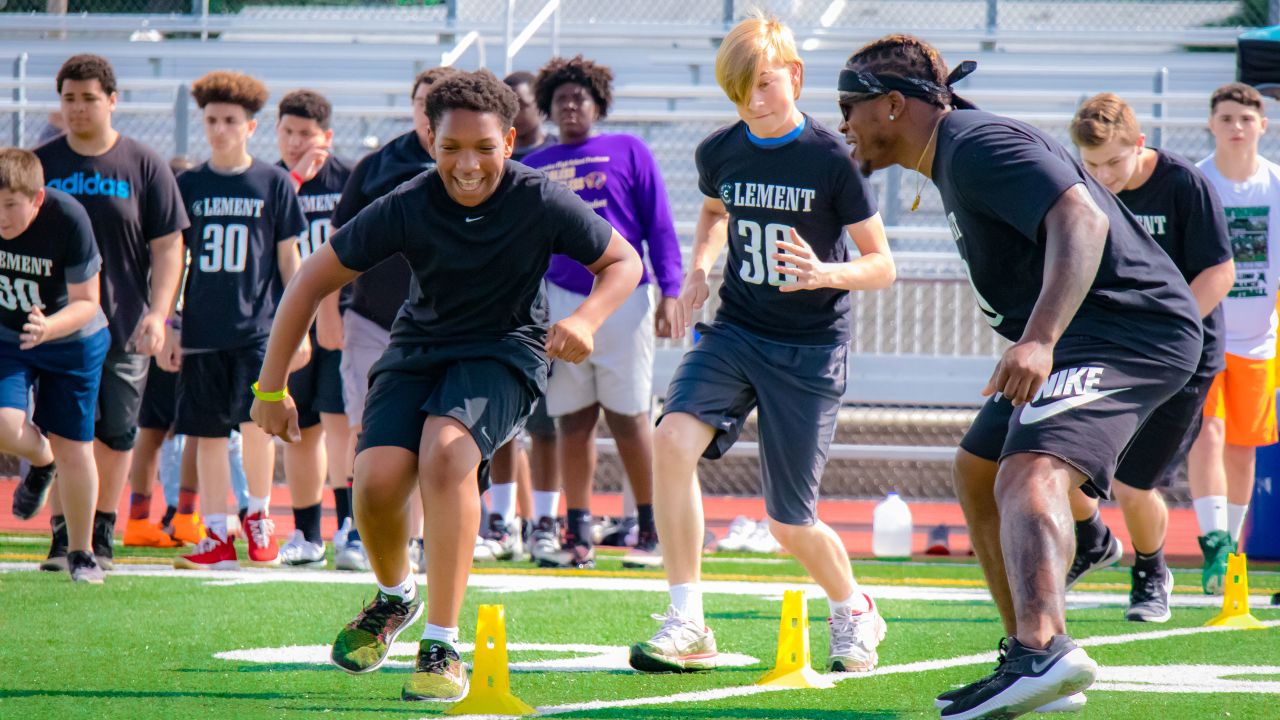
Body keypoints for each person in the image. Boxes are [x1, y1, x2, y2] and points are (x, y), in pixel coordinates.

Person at [837, 34, 1203, 718]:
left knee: (1028, 470)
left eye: (847, 106)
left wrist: (1038, 339)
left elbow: (1081, 219)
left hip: (1133, 330)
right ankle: (1028, 660)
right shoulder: (954, 155)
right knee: (979, 468)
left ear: (892, 105)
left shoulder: (977, 144)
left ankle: (1044, 649)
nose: (841, 124)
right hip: (1090, 334)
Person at [251, 69, 642, 701]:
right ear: (430, 142)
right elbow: (309, 280)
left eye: (484, 148)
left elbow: (624, 261)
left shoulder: (538, 198)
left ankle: (441, 641)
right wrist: (270, 390)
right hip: (419, 349)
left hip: (505, 350)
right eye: (451, 148)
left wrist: (585, 318)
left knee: (447, 451)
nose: (467, 165)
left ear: (509, 142)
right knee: (375, 485)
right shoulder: (408, 200)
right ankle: (394, 597)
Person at [629, 15, 895, 677]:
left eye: (767, 84)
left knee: (788, 523)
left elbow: (882, 263)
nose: (754, 99)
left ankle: (854, 609)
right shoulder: (720, 150)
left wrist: (826, 273)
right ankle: (687, 618)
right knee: (669, 441)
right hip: (737, 330)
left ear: (795, 77)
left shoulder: (833, 158)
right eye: (741, 88)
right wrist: (698, 268)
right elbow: (717, 211)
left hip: (809, 347)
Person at [1065, 93, 1234, 621]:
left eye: (1114, 162)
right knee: (1054, 462)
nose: (1104, 175)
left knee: (1134, 483)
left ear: (1139, 145)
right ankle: (1092, 538)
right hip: (1111, 350)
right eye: (1092, 165)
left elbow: (1219, 273)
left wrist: (1171, 329)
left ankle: (1151, 571)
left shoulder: (1183, 184)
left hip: (1181, 358)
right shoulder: (1085, 187)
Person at [19, 54, 188, 570]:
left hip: (123, 318)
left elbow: (167, 248)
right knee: (64, 431)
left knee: (116, 433)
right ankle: (64, 534)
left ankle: (102, 529)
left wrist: (159, 314)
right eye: (68, 98)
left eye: (89, 98)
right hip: (51, 323)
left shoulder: (143, 164)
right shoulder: (42, 164)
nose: (77, 108)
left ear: (112, 101)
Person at [522, 54, 683, 570]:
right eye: (561, 99)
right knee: (573, 421)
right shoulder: (536, 165)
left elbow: (658, 226)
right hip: (561, 301)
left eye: (580, 97)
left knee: (632, 417)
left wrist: (672, 290)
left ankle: (651, 525)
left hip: (625, 297)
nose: (571, 105)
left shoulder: (629, 150)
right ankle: (578, 530)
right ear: (547, 107)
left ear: (598, 103)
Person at [165, 70, 309, 571]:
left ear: (251, 126)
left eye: (230, 120)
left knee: (256, 427)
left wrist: (301, 329)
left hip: (259, 330)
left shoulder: (273, 182)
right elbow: (172, 262)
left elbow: (292, 264)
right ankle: (216, 534)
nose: (219, 128)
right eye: (211, 120)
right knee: (204, 435)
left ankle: (260, 515)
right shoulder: (188, 184)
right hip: (202, 330)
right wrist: (167, 322)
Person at [329, 66, 456, 572]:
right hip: (373, 318)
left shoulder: (472, 162)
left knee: (431, 433)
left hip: (442, 325)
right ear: (412, 105)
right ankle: (361, 531)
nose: (430, 109)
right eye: (423, 100)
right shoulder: (378, 164)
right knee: (368, 430)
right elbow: (336, 242)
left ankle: (421, 539)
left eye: (439, 100)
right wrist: (327, 310)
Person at [0, 147, 111, 583]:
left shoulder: (69, 218)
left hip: (72, 338)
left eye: (10, 205)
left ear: (37, 199)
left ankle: (81, 551)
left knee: (74, 446)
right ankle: (42, 462)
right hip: (10, 338)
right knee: (6, 425)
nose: (2, 217)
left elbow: (88, 302)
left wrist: (49, 328)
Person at [1189, 82, 1280, 592]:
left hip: (1259, 337)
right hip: (1205, 334)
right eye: (1225, 118)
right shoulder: (1197, 182)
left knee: (1243, 448)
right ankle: (1214, 545)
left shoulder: (1275, 184)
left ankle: (1233, 546)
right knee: (1209, 434)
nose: (1236, 128)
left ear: (1262, 125)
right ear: (1211, 123)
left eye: (1246, 119)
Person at [275, 89, 353, 567]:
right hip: (292, 321)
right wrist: (293, 183)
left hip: (343, 318)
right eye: (287, 132)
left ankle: (351, 525)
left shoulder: (349, 179)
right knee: (298, 427)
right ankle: (306, 532)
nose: (296, 142)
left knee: (342, 422)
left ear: (326, 136)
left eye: (306, 133)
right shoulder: (274, 183)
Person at [504, 70, 557, 160]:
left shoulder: (558, 150)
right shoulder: (498, 158)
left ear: (539, 103)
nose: (513, 113)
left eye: (521, 105)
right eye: (506, 106)